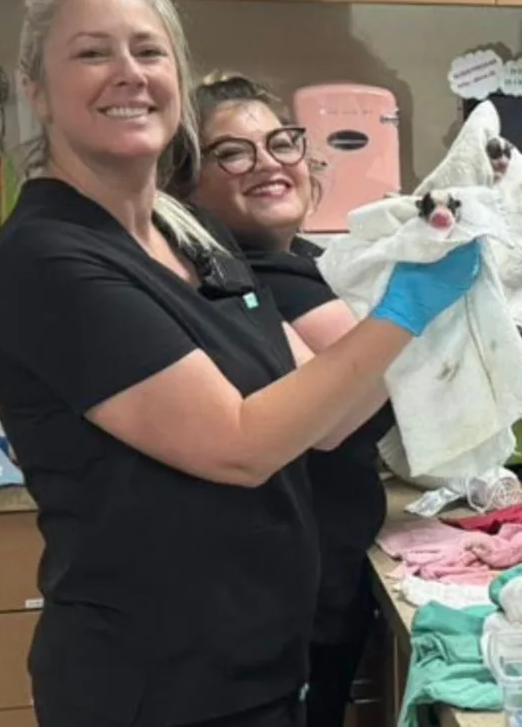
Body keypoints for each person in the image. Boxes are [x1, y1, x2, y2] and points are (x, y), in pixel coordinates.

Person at [0, 0, 478, 726]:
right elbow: (240, 445)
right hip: (157, 686)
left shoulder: (189, 235)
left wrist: (428, 293)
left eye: (149, 51)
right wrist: (404, 309)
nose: (128, 75)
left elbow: (327, 415)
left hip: (262, 666)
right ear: (36, 90)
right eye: (91, 54)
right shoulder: (49, 261)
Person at [164, 71, 396, 727]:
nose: (267, 163)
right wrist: (421, 307)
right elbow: (358, 394)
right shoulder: (254, 279)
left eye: (281, 143)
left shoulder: (296, 262)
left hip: (311, 579)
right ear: (185, 183)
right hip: (294, 596)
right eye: (234, 152)